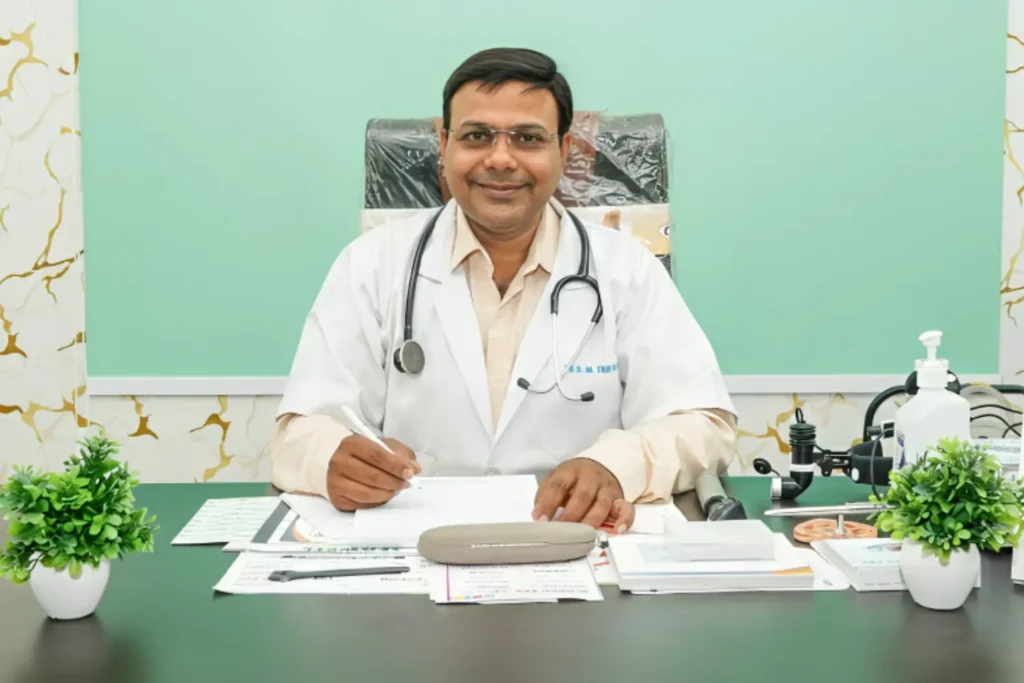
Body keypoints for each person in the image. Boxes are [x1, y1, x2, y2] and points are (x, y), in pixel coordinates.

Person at [266, 47, 738, 531]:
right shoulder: (371, 264)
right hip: (415, 545)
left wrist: (615, 466)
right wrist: (329, 457)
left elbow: (703, 424)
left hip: (573, 541)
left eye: (528, 138)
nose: (500, 159)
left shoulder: (626, 269)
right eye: (476, 136)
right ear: (445, 145)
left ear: (564, 152)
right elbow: (300, 430)